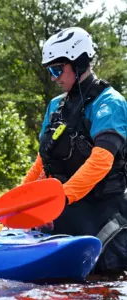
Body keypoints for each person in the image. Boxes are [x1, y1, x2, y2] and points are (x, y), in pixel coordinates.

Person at [22, 27, 127, 273]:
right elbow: (42, 163)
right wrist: (17, 202)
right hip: (63, 209)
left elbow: (100, 162)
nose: (53, 77)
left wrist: (60, 198)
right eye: (50, 71)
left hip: (101, 212)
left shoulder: (109, 103)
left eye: (57, 69)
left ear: (79, 63)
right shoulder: (55, 106)